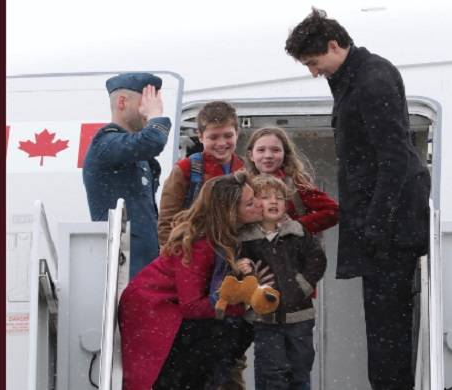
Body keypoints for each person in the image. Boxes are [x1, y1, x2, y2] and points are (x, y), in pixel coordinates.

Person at [285, 8, 431, 390]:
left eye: (314, 63)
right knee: (386, 327)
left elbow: (395, 158)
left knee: (388, 329)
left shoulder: (371, 81)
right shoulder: (360, 77)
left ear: (335, 45)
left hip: (389, 229)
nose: (313, 72)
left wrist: (374, 227)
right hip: (386, 224)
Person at [118, 171, 263, 390]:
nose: (259, 205)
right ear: (230, 211)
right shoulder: (199, 244)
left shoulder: (220, 237)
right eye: (250, 203)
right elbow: (192, 306)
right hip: (156, 312)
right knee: (232, 330)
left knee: (234, 331)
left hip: (172, 312)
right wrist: (239, 305)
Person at [237, 174, 326, 390]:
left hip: (300, 316)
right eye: (266, 197)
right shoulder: (245, 239)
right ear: (254, 204)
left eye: (279, 198)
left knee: (300, 370)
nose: (274, 201)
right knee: (270, 372)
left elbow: (317, 259)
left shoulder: (297, 232)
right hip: (265, 319)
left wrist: (302, 285)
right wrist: (243, 269)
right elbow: (236, 270)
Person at [83, 72, 170, 279]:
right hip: (122, 270)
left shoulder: (137, 156)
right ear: (122, 102)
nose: (152, 108)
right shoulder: (105, 143)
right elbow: (152, 142)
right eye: (147, 101)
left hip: (144, 268)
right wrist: (156, 117)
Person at [157, 100, 245, 246]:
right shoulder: (186, 168)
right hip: (194, 250)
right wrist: (173, 256)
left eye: (228, 136)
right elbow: (167, 222)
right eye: (213, 137)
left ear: (237, 133)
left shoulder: (245, 169)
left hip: (235, 251)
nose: (222, 143)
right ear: (200, 136)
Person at [244, 126, 338, 234]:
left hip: (293, 249)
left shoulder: (297, 184)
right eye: (261, 150)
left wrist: (297, 226)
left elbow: (333, 211)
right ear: (251, 155)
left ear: (285, 154)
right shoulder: (243, 187)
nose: (268, 155)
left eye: (275, 150)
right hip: (253, 249)